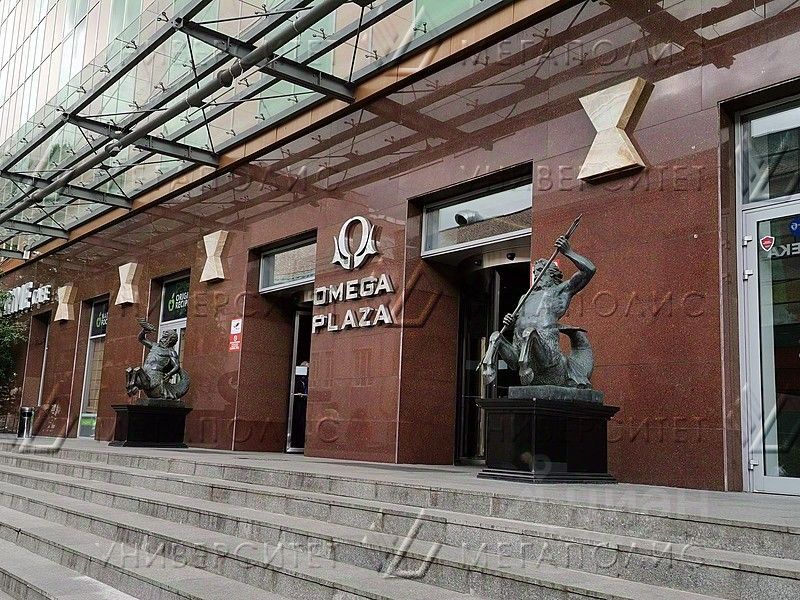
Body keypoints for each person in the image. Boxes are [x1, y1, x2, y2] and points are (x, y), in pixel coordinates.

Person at [482, 235, 596, 388]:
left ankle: (525, 362)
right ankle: (489, 365)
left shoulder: (559, 291)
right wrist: (511, 321)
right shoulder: (525, 297)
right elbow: (518, 322)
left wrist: (568, 252)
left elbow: (589, 270)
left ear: (551, 274)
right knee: (496, 336)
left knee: (530, 333)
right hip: (520, 349)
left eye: (541, 272)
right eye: (535, 273)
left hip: (548, 356)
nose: (537, 276)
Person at [125, 318, 189, 400]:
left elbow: (176, 366)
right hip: (146, 373)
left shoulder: (170, 352)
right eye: (162, 337)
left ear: (170, 340)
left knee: (137, 370)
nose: (161, 339)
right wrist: (144, 331)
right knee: (129, 371)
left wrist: (169, 374)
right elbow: (141, 339)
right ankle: (131, 387)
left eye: (165, 338)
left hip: (155, 378)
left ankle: (133, 387)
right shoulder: (154, 346)